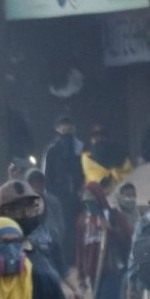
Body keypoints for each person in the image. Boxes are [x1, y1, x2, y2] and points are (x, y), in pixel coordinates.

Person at [77, 183, 133, 299]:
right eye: (86, 202)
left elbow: (127, 240)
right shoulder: (83, 220)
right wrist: (81, 275)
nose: (89, 205)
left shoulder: (114, 216)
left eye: (92, 201)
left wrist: (110, 229)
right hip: (94, 273)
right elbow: (80, 250)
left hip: (112, 270)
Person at [42, 114, 85, 270]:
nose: (65, 128)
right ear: (57, 128)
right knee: (63, 228)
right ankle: (66, 260)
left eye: (68, 125)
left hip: (79, 194)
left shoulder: (81, 148)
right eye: (62, 125)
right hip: (60, 195)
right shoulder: (52, 151)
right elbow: (48, 176)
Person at [25, 170, 69, 278]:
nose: (36, 185)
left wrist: (54, 241)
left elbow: (60, 225)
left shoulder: (53, 201)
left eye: (39, 182)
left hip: (50, 251)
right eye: (33, 182)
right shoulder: (22, 202)